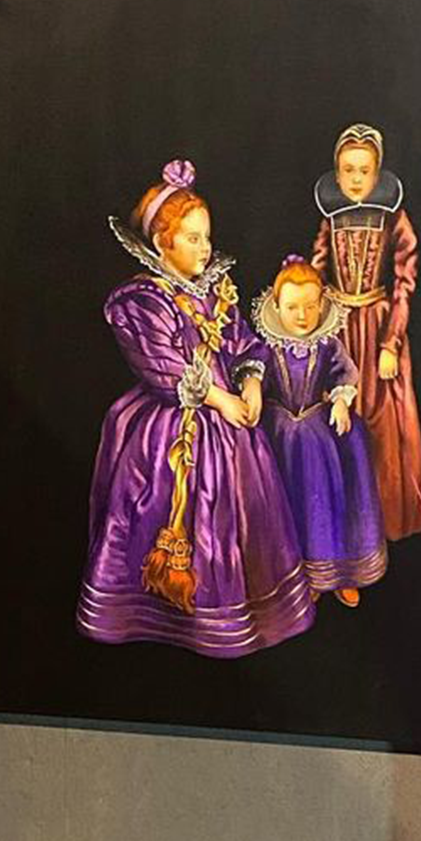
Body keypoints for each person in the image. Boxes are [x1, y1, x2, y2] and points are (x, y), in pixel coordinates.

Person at [77, 160, 315, 656]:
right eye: (192, 238)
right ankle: (169, 615)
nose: (205, 248)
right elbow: (162, 366)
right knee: (163, 513)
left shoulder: (215, 291)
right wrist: (220, 399)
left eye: (206, 237)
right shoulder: (144, 300)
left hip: (232, 425)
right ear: (162, 243)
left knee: (241, 513)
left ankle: (236, 614)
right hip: (170, 427)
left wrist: (251, 384)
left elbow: (243, 342)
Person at [312, 123, 421, 541]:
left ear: (377, 173)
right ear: (337, 172)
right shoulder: (330, 218)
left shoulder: (394, 217)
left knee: (381, 424)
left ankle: (381, 520)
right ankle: (342, 527)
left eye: (364, 170)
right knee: (336, 422)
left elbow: (404, 282)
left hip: (378, 329)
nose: (356, 179)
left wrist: (390, 343)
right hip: (338, 330)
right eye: (348, 170)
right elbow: (317, 269)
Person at [253, 256, 387, 607]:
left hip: (318, 433)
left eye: (310, 306)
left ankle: (336, 573)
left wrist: (341, 401)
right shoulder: (266, 346)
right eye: (292, 307)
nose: (302, 316)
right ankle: (296, 575)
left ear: (321, 306)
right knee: (285, 504)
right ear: (277, 307)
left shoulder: (328, 344)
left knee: (326, 501)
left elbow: (344, 375)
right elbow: (254, 378)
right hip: (278, 436)